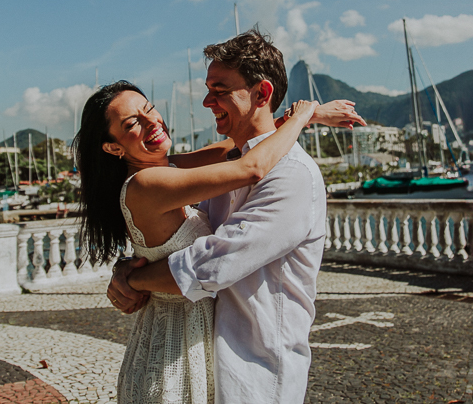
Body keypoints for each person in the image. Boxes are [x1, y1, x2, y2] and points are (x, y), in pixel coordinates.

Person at [109, 29, 364, 404]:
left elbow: (212, 262)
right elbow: (173, 176)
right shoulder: (228, 166)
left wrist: (135, 279)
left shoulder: (291, 174)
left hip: (255, 370)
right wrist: (127, 270)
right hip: (197, 362)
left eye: (220, 90)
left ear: (261, 94)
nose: (207, 100)